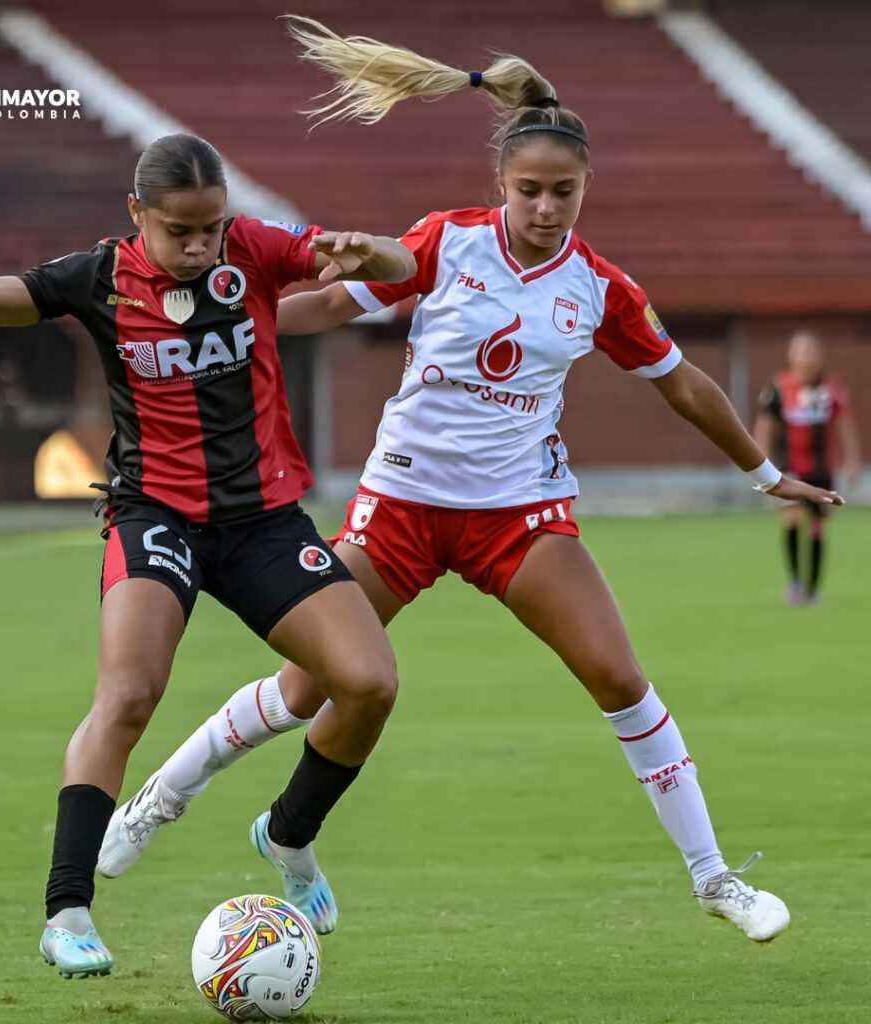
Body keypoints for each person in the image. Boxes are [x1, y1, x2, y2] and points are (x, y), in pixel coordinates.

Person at [98, 19, 845, 947]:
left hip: (520, 516)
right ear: (501, 186)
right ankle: (164, 796)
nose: (544, 208)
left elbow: (683, 385)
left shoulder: (601, 289)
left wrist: (768, 475)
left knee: (618, 675)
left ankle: (713, 878)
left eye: (562, 192)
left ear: (585, 190)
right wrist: (236, 324)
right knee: (306, 689)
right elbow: (333, 301)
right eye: (528, 190)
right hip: (403, 506)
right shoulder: (447, 242)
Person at [0, 131, 417, 978]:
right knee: (128, 694)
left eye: (211, 229)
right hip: (153, 515)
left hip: (263, 520)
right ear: (135, 215)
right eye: (179, 230)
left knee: (370, 682)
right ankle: (68, 912)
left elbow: (397, 271)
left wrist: (365, 250)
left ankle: (288, 836)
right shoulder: (96, 276)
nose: (198, 247)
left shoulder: (254, 251)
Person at [754, 330, 860, 605]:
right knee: (790, 520)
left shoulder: (831, 390)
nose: (806, 357)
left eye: (811, 350)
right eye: (800, 351)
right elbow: (764, 426)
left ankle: (812, 589)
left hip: (821, 468)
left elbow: (844, 425)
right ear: (790, 356)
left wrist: (852, 461)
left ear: (820, 356)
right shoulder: (778, 388)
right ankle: (794, 581)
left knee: (816, 526)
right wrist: (759, 462)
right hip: (788, 467)